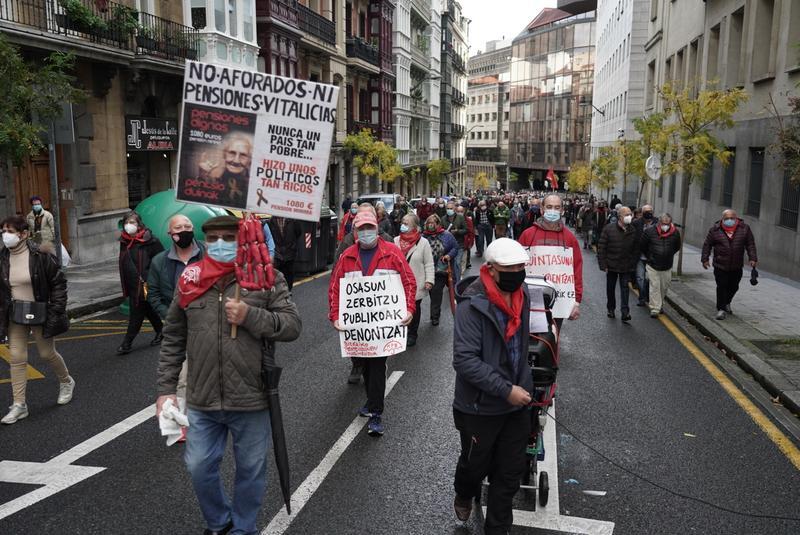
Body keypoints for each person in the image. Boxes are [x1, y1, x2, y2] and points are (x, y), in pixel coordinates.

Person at [156, 215, 301, 535]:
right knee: (198, 465)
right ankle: (220, 522)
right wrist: (166, 390)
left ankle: (243, 529)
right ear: (205, 243)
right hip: (202, 398)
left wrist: (250, 315)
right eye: (213, 239)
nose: (220, 244)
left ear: (242, 241)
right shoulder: (190, 280)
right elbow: (173, 337)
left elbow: (292, 326)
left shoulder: (266, 278)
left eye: (228, 238)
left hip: (251, 397)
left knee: (251, 469)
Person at [451, 238, 532, 533]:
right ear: (491, 269)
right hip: (479, 407)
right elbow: (465, 360)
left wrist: (522, 385)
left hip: (515, 406)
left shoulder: (523, 294)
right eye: (509, 268)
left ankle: (497, 528)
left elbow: (521, 346)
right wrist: (506, 390)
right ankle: (464, 491)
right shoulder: (471, 306)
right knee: (474, 467)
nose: (517, 273)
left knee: (509, 474)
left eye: (521, 267)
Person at [328, 211, 416, 436]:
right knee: (364, 365)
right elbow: (335, 289)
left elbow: (408, 282)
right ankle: (371, 402)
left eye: (370, 227)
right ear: (355, 232)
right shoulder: (347, 256)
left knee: (376, 366)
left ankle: (376, 412)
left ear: (377, 229)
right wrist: (335, 315)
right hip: (358, 328)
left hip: (383, 328)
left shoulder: (392, 252)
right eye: (362, 228)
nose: (366, 232)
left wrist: (409, 309)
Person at [0, 216, 73, 424]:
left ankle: (66, 381)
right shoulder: (2, 258)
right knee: (16, 357)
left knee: (47, 353)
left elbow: (58, 283)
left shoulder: (40, 256)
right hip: (15, 314)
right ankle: (19, 405)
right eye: (3, 231)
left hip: (40, 312)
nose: (6, 235)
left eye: (10, 231)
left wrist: (56, 309)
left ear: (24, 234)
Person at [517, 194, 583, 329]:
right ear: (542, 210)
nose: (553, 210)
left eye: (557, 207)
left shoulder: (570, 238)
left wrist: (576, 301)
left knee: (552, 336)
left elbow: (576, 269)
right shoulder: (527, 235)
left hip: (559, 302)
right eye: (549, 207)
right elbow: (516, 267)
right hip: (530, 299)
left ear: (562, 210)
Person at [117, 211, 164, 355]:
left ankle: (127, 343)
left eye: (132, 222)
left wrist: (153, 280)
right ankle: (161, 331)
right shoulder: (124, 242)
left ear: (139, 225)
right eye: (126, 222)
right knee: (147, 309)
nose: (128, 225)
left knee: (136, 314)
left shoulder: (151, 241)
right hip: (132, 285)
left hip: (146, 284)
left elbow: (161, 262)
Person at [701, 209, 757, 320]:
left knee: (734, 286)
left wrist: (753, 258)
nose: (729, 220)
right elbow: (707, 245)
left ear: (736, 218)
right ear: (722, 219)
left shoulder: (744, 229)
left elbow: (750, 244)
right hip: (720, 264)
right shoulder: (715, 230)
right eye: (727, 218)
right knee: (721, 286)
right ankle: (721, 309)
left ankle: (727, 302)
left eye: (732, 218)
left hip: (736, 265)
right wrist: (705, 259)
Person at [394, 213, 434, 347]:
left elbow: (429, 263)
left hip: (416, 282)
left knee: (414, 308)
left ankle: (412, 333)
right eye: (402, 222)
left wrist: (429, 280)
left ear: (414, 227)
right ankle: (401, 331)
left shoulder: (423, 243)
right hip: (398, 283)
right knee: (400, 307)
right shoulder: (395, 241)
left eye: (406, 224)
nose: (403, 225)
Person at [597, 206, 639, 323]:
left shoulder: (633, 230)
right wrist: (603, 264)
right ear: (620, 217)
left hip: (626, 265)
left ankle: (625, 312)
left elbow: (636, 249)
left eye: (630, 214)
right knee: (610, 288)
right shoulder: (609, 229)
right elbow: (601, 247)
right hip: (611, 265)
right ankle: (611, 308)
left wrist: (633, 263)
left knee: (625, 289)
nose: (629, 216)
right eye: (626, 215)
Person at [640, 213, 681, 318]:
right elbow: (642, 245)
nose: (665, 226)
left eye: (667, 224)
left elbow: (677, 246)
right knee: (654, 286)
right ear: (659, 222)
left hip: (667, 266)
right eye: (663, 223)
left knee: (663, 287)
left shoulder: (675, 233)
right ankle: (655, 308)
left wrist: (668, 255)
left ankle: (660, 304)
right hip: (653, 265)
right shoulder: (649, 231)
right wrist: (650, 256)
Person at [422, 214, 458, 327]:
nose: (430, 225)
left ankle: (435, 316)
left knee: (436, 292)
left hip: (441, 270)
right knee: (432, 293)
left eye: (433, 223)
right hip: (427, 269)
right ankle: (435, 312)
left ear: (438, 224)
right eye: (428, 223)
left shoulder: (447, 235)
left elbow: (455, 247)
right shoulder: (422, 237)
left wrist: (449, 255)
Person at [203, 133, 253, 208]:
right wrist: (203, 177)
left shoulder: (253, 186)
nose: (236, 161)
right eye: (232, 153)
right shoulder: (211, 178)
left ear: (249, 160)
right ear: (224, 155)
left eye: (243, 155)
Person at [268, 216, 302, 292]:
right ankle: (279, 293)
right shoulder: (271, 221)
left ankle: (288, 292)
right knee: (277, 276)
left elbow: (298, 233)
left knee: (289, 276)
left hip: (290, 253)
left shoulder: (293, 220)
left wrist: (292, 246)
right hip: (277, 253)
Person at [632, 204, 657, 307]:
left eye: (650, 211)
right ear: (642, 213)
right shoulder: (636, 223)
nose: (648, 213)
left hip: (652, 257)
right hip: (639, 256)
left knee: (650, 279)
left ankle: (648, 295)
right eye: (646, 211)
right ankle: (642, 297)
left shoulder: (657, 223)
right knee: (640, 278)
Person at [442, 201, 468, 284]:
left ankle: (458, 282)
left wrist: (457, 231)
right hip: (448, 246)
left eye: (451, 208)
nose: (449, 210)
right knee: (450, 264)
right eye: (448, 208)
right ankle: (450, 282)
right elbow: (440, 230)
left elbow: (466, 230)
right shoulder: (443, 219)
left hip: (459, 244)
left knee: (457, 263)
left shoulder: (460, 218)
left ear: (454, 209)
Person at [459, 205, 475, 270]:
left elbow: (471, 232)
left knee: (463, 259)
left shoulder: (468, 220)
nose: (460, 213)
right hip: (456, 243)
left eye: (461, 211)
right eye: (458, 211)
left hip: (465, 243)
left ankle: (462, 273)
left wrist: (470, 242)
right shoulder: (453, 220)